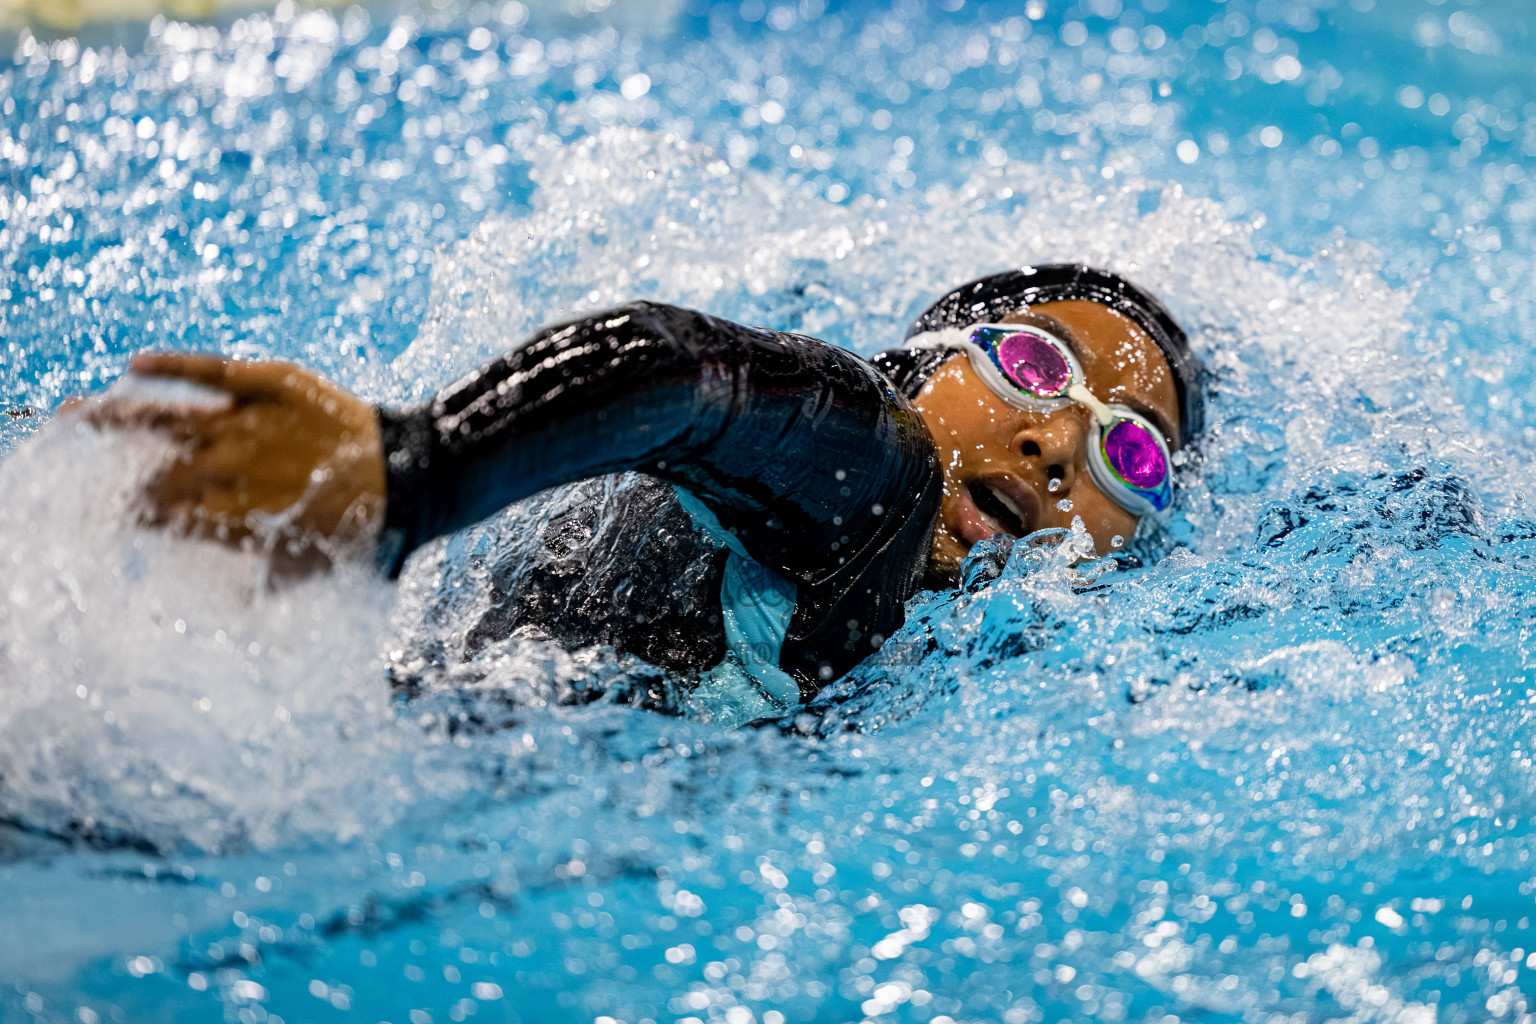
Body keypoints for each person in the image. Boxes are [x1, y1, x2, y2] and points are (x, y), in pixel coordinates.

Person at [73, 264, 1202, 724]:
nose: (1061, 441)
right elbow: (686, 373)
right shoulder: (881, 475)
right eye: (1040, 367)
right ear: (923, 360)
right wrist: (409, 470)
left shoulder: (958, 637)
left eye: (1131, 456)